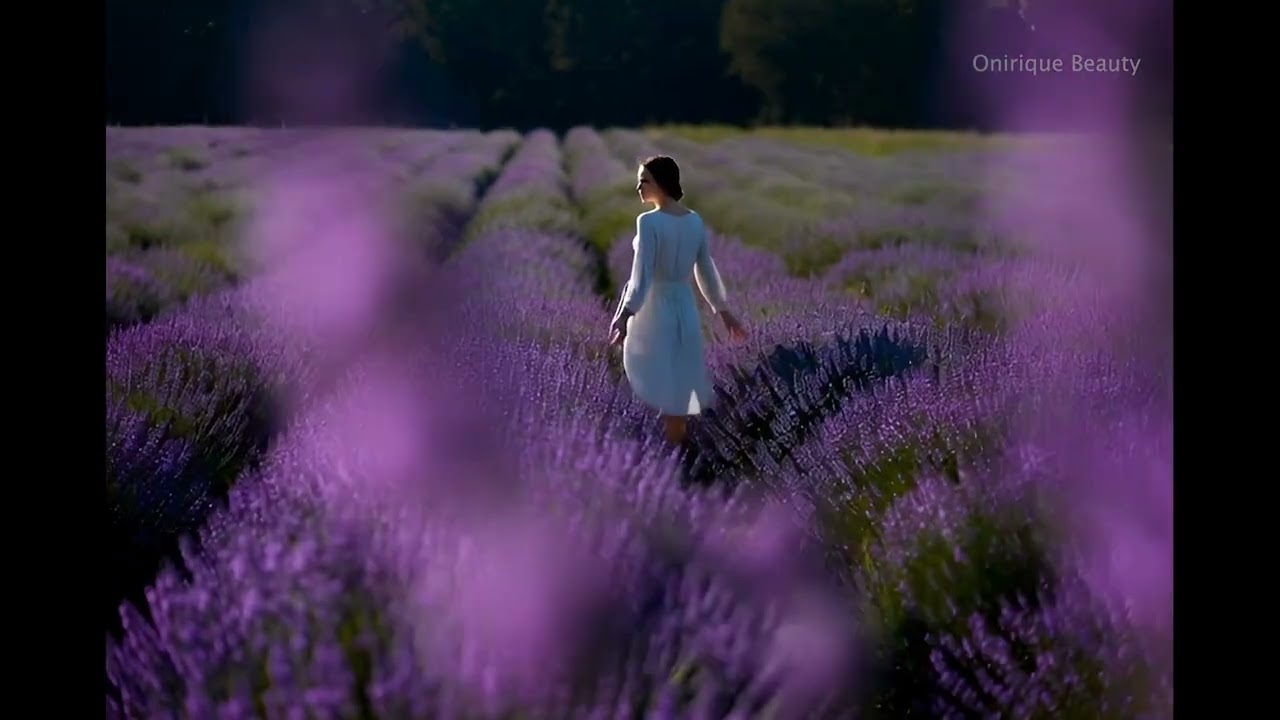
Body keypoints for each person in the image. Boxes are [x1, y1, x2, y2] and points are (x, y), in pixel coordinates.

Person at [609, 155, 748, 445]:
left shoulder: (648, 222)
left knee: (655, 379)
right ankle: (679, 451)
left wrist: (625, 314)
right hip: (683, 306)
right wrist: (723, 311)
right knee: (679, 384)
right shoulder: (693, 221)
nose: (639, 187)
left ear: (661, 183)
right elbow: (705, 270)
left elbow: (642, 276)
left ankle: (666, 456)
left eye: (644, 181)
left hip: (653, 307)